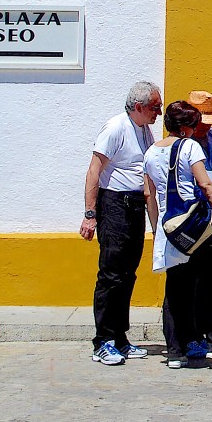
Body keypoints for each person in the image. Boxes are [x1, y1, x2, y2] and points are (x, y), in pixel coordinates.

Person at [144, 100, 212, 368]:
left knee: (176, 288)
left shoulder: (151, 152)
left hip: (170, 229)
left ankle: (176, 350)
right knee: (211, 285)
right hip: (197, 228)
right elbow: (206, 186)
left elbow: (148, 195)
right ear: (186, 126)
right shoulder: (189, 146)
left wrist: (156, 228)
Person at [80, 80, 162, 365]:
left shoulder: (144, 130)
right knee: (111, 275)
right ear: (138, 107)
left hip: (135, 206)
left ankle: (120, 337)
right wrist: (90, 214)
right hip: (114, 206)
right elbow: (94, 171)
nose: (159, 113)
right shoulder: (116, 128)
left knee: (128, 274)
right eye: (155, 107)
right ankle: (102, 340)